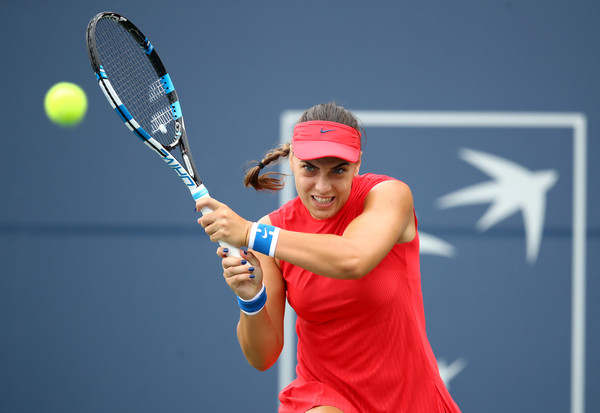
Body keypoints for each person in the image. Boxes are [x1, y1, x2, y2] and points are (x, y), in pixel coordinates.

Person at [195, 102, 461, 413]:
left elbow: (353, 259)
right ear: (293, 160)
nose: (323, 186)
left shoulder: (389, 195)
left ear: (357, 164)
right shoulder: (272, 231)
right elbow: (262, 357)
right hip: (325, 396)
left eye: (338, 170)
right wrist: (251, 298)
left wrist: (252, 234)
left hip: (413, 399)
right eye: (310, 168)